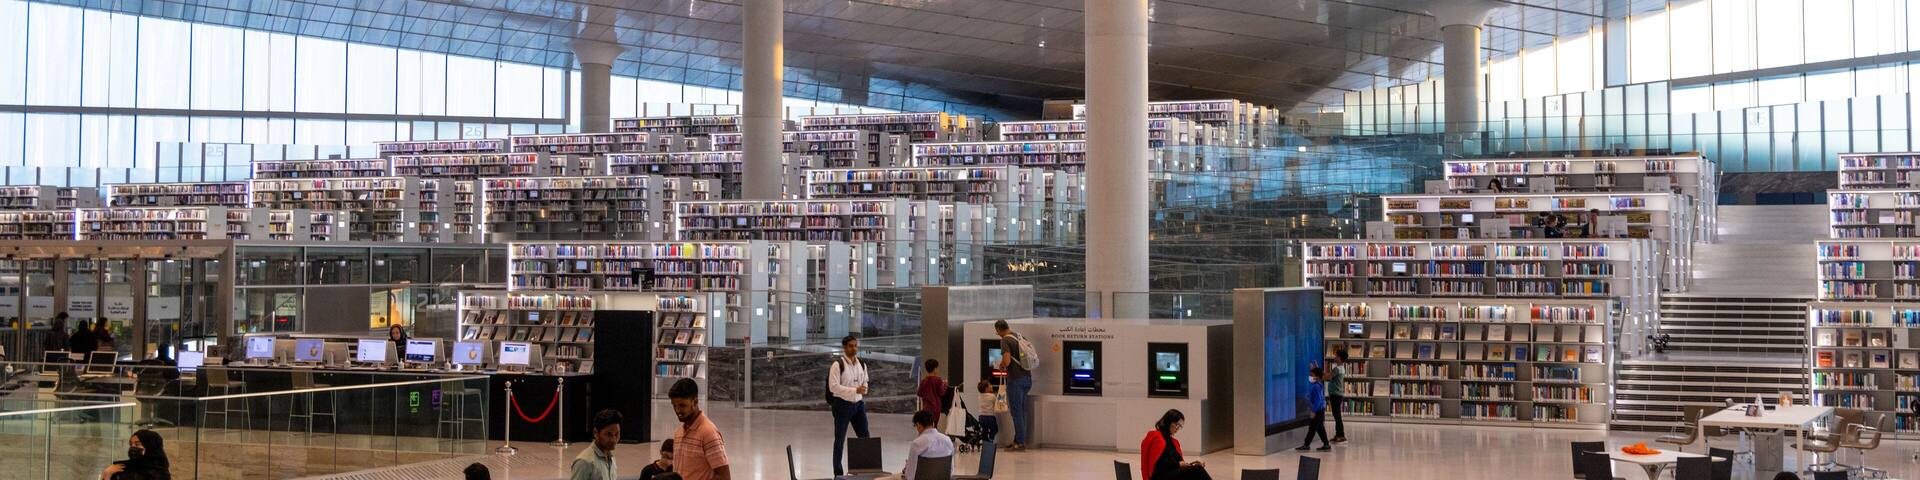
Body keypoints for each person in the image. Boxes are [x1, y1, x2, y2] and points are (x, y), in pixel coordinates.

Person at [827, 334, 872, 476]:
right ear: (844, 348)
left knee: (865, 438)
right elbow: (833, 387)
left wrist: (863, 388)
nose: (854, 349)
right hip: (842, 405)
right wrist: (854, 390)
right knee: (839, 440)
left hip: (858, 405)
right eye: (851, 346)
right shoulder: (837, 365)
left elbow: (865, 381)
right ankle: (838, 474)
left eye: (855, 346)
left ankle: (865, 471)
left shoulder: (862, 364)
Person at [670, 378, 731, 480]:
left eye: (682, 405)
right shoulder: (679, 432)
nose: (677, 410)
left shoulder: (708, 433)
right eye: (674, 405)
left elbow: (723, 476)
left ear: (695, 402)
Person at [992, 319, 1036, 451]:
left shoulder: (1005, 340)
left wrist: (1001, 365)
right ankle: (1018, 439)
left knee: (1016, 412)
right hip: (1027, 379)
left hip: (1015, 380)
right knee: (1022, 412)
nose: (998, 334)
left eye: (997, 332)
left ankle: (1020, 443)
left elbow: (1007, 360)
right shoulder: (1019, 336)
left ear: (999, 329)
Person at [878, 410, 956, 480]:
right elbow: (950, 471)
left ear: (918, 425)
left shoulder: (917, 443)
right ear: (933, 423)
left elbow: (910, 476)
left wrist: (906, 468)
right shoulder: (947, 440)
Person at [1139, 409, 1210, 480]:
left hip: (1170, 474)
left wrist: (1190, 465)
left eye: (1180, 426)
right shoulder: (1157, 438)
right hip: (1160, 477)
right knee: (1197, 470)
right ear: (1169, 421)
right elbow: (1158, 466)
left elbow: (1177, 463)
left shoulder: (1173, 442)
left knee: (1198, 468)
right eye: (1176, 424)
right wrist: (1179, 465)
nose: (1177, 428)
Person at [570, 409, 622, 480]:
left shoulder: (611, 458)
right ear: (595, 433)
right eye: (608, 434)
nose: (614, 440)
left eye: (617, 434)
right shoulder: (584, 462)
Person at [100, 429, 170, 480]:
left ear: (150, 446)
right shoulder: (122, 467)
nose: (133, 447)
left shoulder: (160, 474)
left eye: (137, 444)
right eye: (131, 444)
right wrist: (107, 474)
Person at [1297, 367, 1332, 452]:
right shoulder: (1318, 385)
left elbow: (1318, 400)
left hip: (1318, 410)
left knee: (1312, 428)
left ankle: (1306, 445)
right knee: (1320, 428)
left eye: (1311, 375)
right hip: (1320, 410)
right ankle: (1326, 444)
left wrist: (1313, 411)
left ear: (1317, 377)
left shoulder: (1316, 387)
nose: (1310, 376)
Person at [916, 358, 949, 426]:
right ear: (934, 369)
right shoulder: (938, 380)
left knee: (927, 426)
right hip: (936, 408)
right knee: (934, 426)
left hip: (926, 407)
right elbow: (941, 393)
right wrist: (945, 384)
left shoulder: (924, 380)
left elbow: (919, 393)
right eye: (937, 368)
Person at [1326, 351, 1349, 444]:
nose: (1334, 357)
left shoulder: (1337, 369)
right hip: (1337, 394)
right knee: (1336, 415)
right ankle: (1338, 434)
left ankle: (1341, 435)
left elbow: (1327, 377)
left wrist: (1316, 373)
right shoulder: (1341, 368)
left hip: (1335, 394)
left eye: (1336, 356)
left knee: (1337, 415)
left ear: (1339, 358)